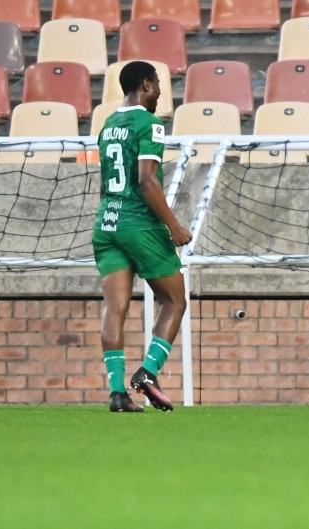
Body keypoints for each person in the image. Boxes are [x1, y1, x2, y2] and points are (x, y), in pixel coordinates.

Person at [93, 61, 192, 413]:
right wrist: (174, 226)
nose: (161, 95)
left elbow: (105, 183)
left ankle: (117, 393)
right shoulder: (150, 124)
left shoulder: (108, 125)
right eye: (159, 87)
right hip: (140, 224)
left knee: (114, 308)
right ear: (146, 85)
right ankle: (148, 372)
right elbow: (146, 180)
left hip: (106, 222)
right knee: (175, 300)